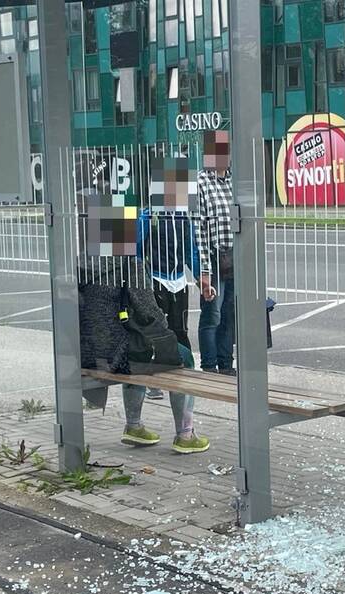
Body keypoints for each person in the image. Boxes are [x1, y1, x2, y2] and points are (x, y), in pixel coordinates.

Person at [79, 246, 209, 456]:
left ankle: (134, 426)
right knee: (182, 357)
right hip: (119, 353)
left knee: (139, 355)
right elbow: (147, 309)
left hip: (90, 352)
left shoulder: (82, 263)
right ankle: (185, 435)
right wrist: (165, 334)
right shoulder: (131, 263)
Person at [137, 157, 201, 399]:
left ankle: (184, 370)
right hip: (155, 279)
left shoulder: (184, 217)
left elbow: (190, 250)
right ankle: (154, 380)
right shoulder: (148, 215)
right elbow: (136, 250)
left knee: (180, 329)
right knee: (156, 331)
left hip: (178, 282)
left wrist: (200, 277)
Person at [196, 130, 237, 376]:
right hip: (213, 255)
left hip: (234, 256)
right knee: (213, 314)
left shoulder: (234, 180)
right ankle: (209, 366)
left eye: (225, 150)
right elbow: (198, 229)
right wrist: (204, 270)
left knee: (230, 314)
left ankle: (226, 364)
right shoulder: (200, 182)